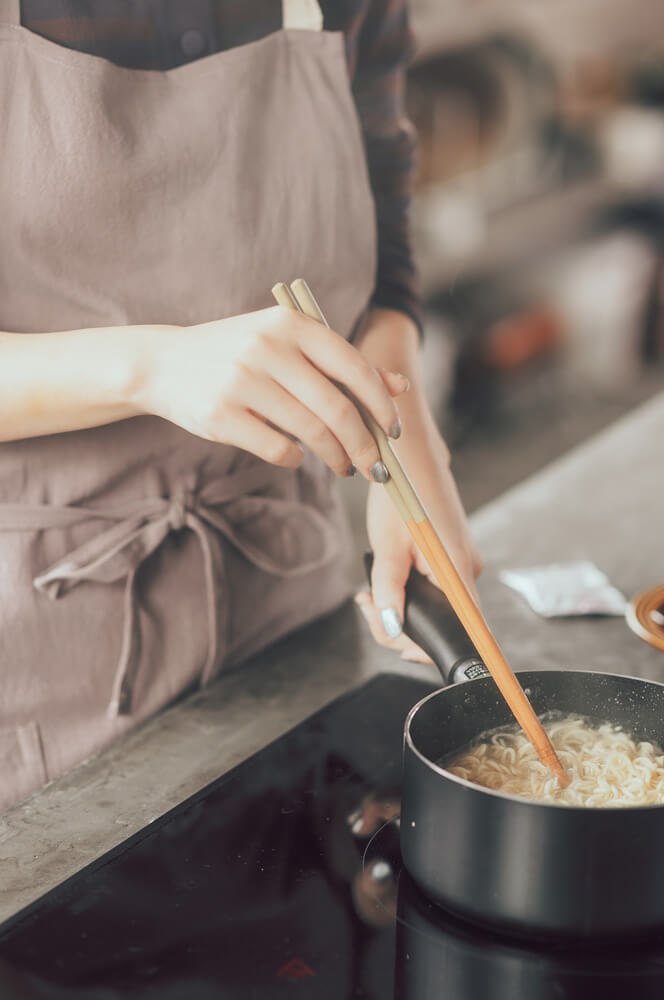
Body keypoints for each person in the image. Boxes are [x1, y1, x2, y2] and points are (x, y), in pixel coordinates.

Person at [0, 0, 482, 810]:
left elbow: (384, 245)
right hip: (39, 665)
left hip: (286, 623)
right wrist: (149, 367)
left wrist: (410, 441)